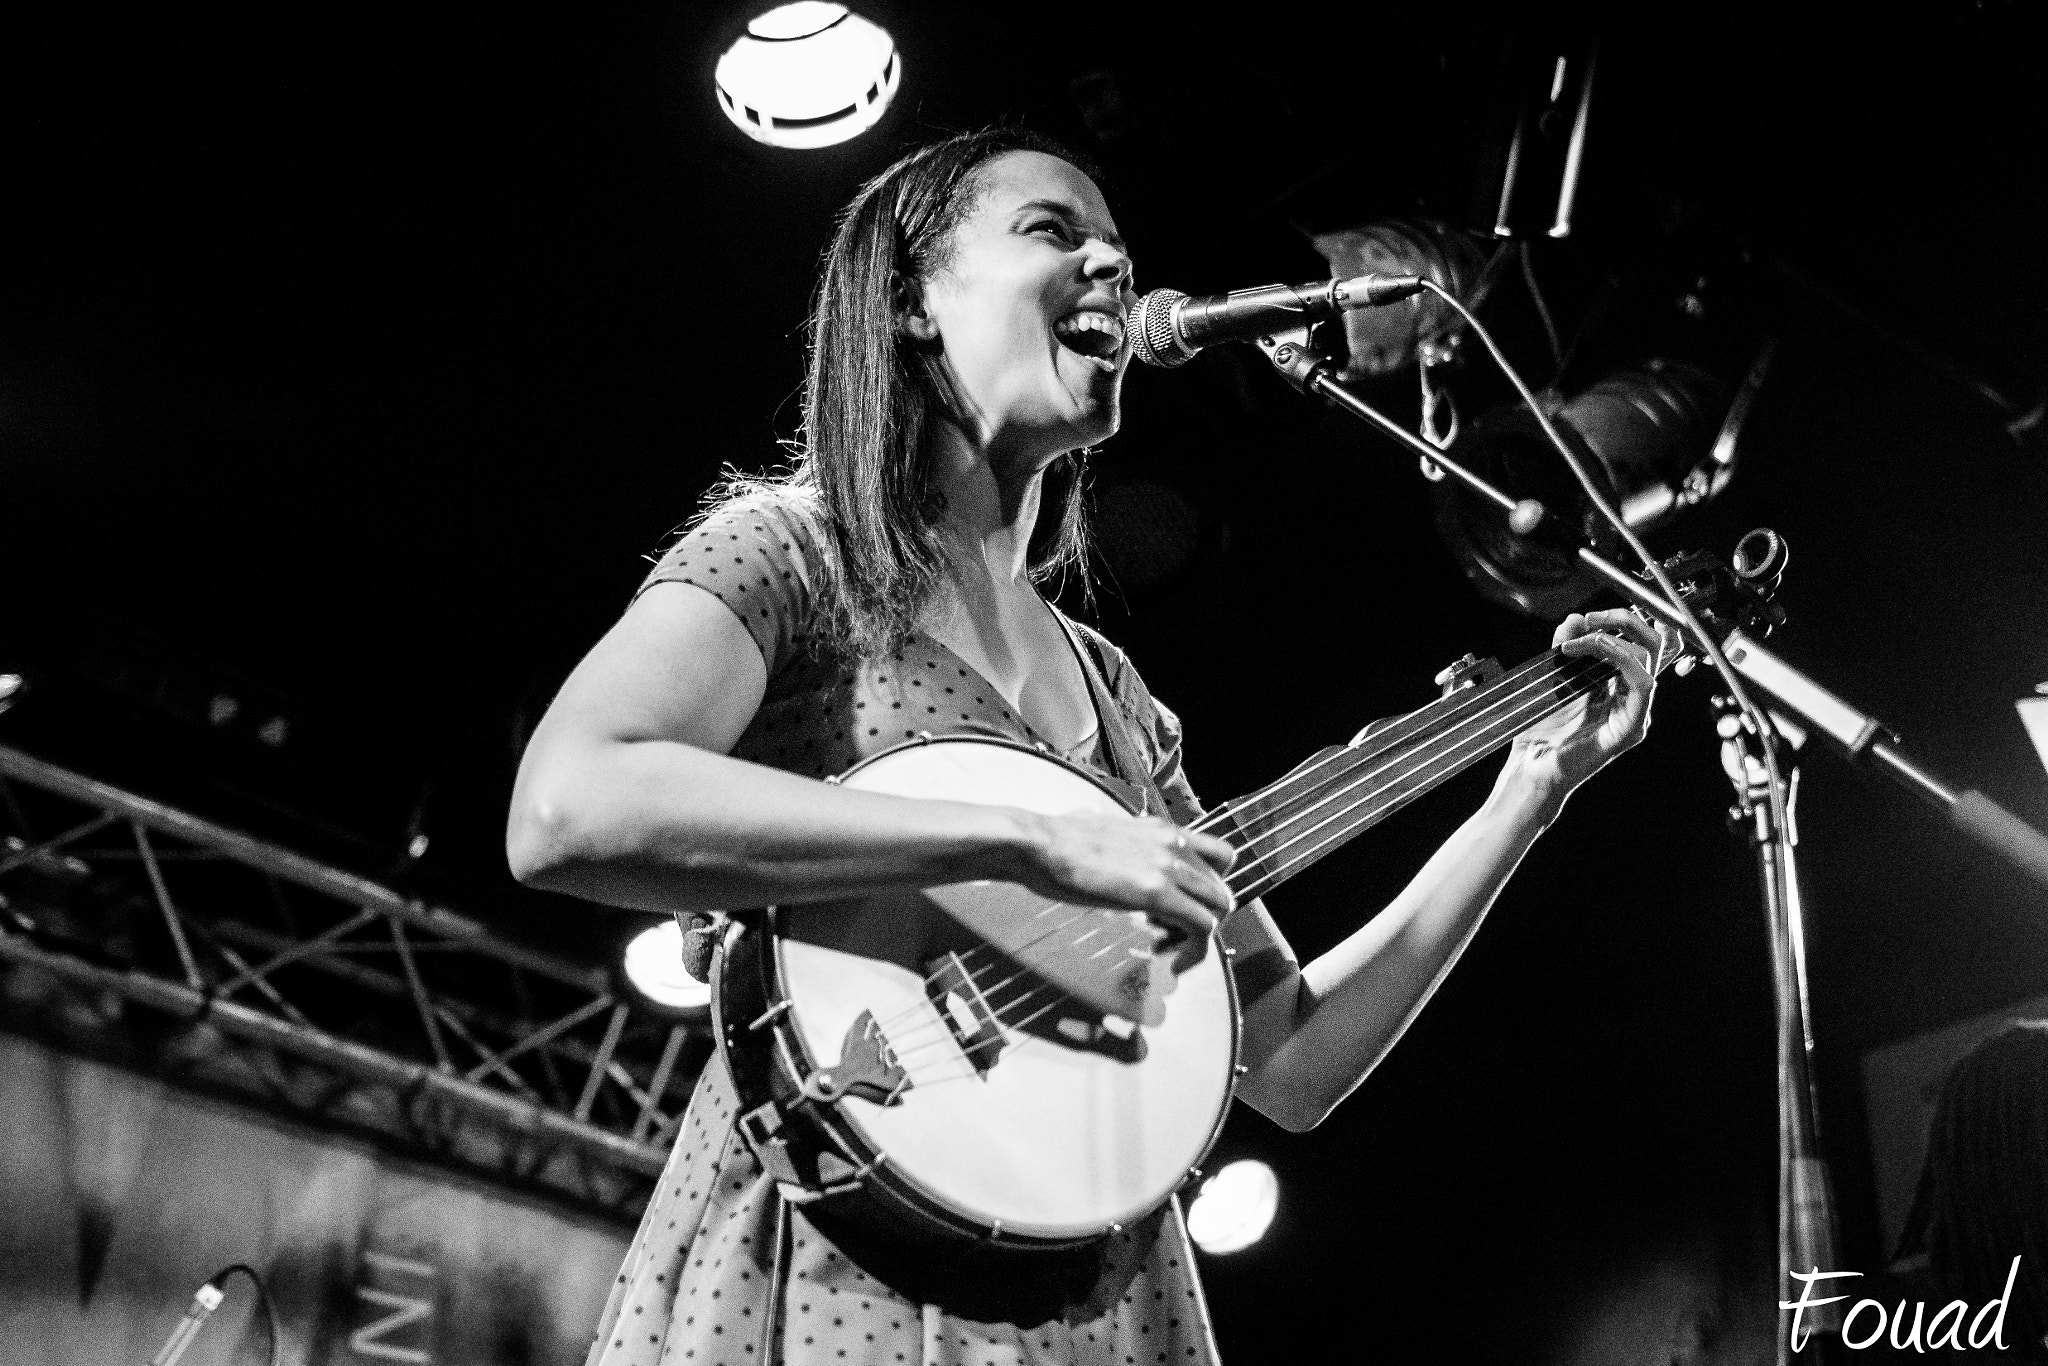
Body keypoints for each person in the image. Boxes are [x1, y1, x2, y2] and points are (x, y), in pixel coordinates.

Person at [507, 127, 1664, 1366]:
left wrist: (1520, 800)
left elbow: (1286, 1056)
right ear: (908, 300)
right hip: (832, 1245)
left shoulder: (1109, 690)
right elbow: (568, 807)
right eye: (1052, 231)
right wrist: (1029, 840)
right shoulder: (791, 556)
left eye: (1115, 240)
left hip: (1091, 1291)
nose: (1111, 259)